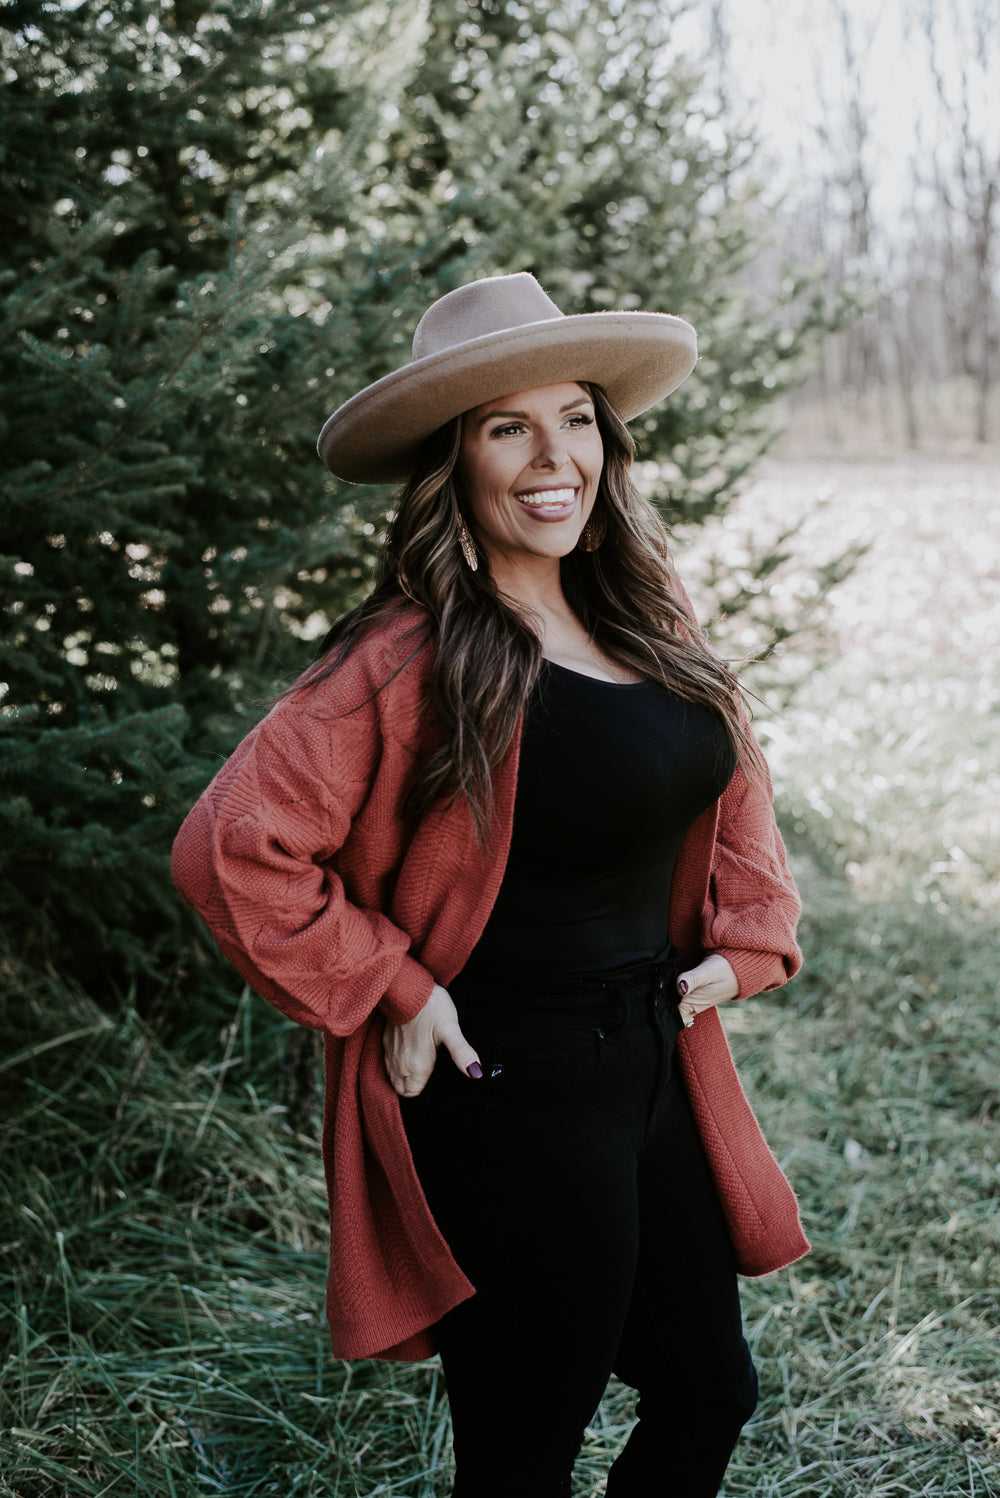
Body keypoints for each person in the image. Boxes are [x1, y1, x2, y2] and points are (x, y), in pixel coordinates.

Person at [172, 272, 808, 1498]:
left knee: (707, 1389)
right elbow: (229, 847)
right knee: (524, 1452)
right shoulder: (410, 654)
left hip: (657, 1056)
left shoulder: (645, 611)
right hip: (511, 1087)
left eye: (573, 418)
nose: (553, 458)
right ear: (453, 465)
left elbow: (731, 778)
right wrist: (394, 985)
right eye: (507, 427)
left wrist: (750, 936)